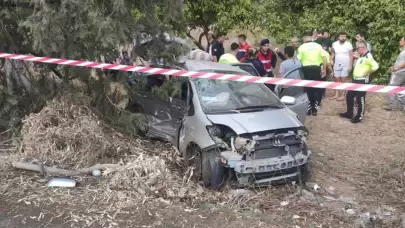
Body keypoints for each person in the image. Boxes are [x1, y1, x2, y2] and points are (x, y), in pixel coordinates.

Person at [339, 41, 379, 123]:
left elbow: (376, 66)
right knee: (349, 95)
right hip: (355, 80)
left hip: (362, 81)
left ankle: (359, 116)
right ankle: (349, 113)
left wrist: (368, 72)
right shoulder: (362, 56)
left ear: (363, 48)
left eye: (358, 48)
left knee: (360, 98)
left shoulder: (368, 56)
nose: (356, 50)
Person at [297, 32, 327, 116]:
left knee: (307, 89)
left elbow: (298, 60)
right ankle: (315, 108)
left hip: (306, 69)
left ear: (304, 38)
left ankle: (309, 108)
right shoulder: (318, 46)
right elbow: (324, 57)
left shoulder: (301, 47)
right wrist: (324, 69)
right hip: (316, 68)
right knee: (316, 89)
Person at [330, 32, 354, 101]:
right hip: (337, 63)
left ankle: (343, 95)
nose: (343, 38)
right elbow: (332, 53)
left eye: (344, 36)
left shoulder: (349, 44)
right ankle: (336, 94)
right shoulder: (334, 44)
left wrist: (350, 65)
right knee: (337, 79)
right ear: (338, 37)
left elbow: (351, 55)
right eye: (342, 36)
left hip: (346, 64)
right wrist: (331, 60)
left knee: (343, 79)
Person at [384, 36, 405, 111]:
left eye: (401, 40)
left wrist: (397, 68)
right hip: (402, 73)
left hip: (399, 73)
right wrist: (394, 66)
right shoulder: (403, 51)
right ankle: (401, 105)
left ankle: (392, 105)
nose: (399, 41)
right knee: (402, 89)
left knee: (391, 87)